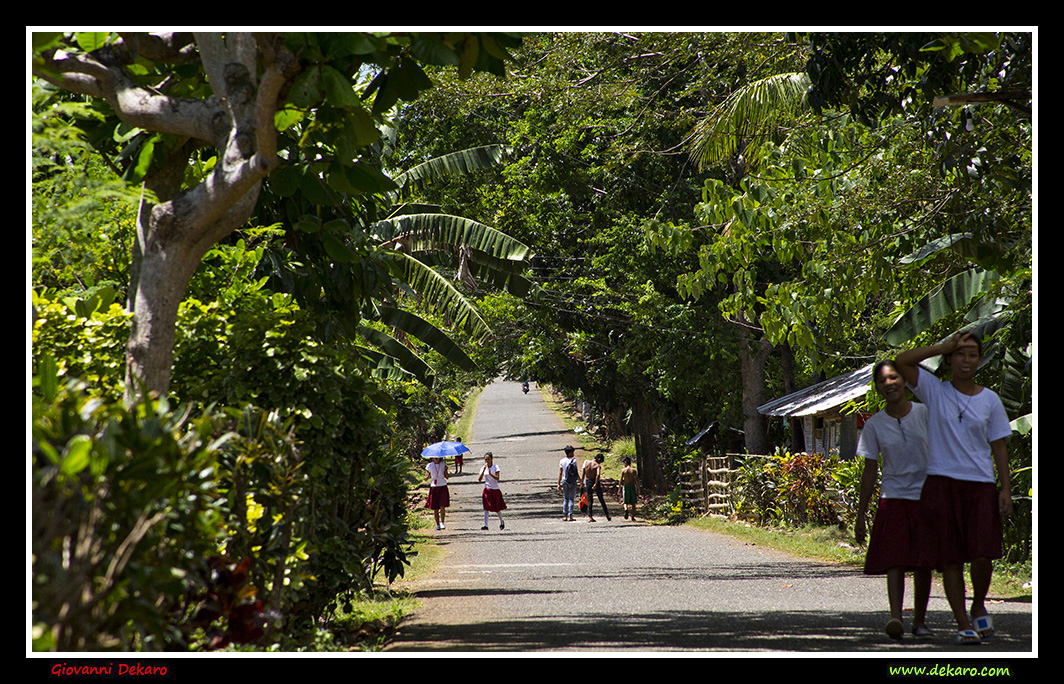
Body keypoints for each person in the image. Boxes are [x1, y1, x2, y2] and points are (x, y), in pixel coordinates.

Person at [895, 332, 1013, 645]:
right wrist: (942, 346)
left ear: (980, 360)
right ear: (949, 360)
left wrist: (1004, 488)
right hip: (941, 482)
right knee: (950, 558)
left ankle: (977, 604)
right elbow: (902, 361)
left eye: (972, 354)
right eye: (960, 354)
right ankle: (963, 622)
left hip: (980, 484)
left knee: (982, 555)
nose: (966, 360)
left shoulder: (990, 400)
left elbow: (999, 444)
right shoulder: (934, 391)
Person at [855, 360, 933, 641]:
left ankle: (920, 621)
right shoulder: (874, 425)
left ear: (905, 381)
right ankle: (896, 618)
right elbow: (869, 470)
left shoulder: (926, 413)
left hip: (926, 497)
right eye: (882, 380)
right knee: (895, 562)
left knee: (924, 562)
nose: (889, 384)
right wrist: (861, 514)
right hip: (893, 497)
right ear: (877, 388)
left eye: (894, 378)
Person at [478, 452, 506, 530]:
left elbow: (497, 478)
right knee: (486, 507)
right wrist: (483, 471)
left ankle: (501, 521)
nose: (487, 461)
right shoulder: (483, 468)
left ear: (492, 459)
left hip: (495, 489)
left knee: (497, 508)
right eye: (485, 459)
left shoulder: (495, 467)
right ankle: (486, 525)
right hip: (487, 489)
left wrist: (490, 473)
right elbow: (479, 479)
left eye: (488, 459)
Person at [582, 453, 610, 522]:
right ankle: (607, 515)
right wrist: (595, 483)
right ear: (599, 459)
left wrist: (582, 482)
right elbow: (597, 474)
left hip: (588, 481)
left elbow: (583, 473)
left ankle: (590, 516)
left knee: (590, 499)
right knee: (601, 499)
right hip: (594, 481)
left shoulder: (587, 463)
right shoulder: (597, 465)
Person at [425, 456, 451, 530]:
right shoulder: (429, 465)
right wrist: (427, 476)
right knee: (435, 507)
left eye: (437, 457)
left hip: (442, 486)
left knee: (442, 505)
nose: (436, 458)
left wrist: (446, 471)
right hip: (434, 487)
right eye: (434, 457)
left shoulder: (443, 464)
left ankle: (442, 522)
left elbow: (447, 477)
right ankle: (437, 524)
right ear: (432, 458)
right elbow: (426, 477)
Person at [558, 445, 580, 522]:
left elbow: (561, 473)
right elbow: (576, 472)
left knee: (565, 498)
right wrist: (580, 481)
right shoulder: (574, 461)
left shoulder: (562, 461)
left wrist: (558, 483)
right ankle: (570, 515)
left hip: (564, 481)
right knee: (571, 499)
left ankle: (565, 515)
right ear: (570, 453)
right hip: (572, 481)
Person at [619, 456, 639, 521]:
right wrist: (638, 488)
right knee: (633, 503)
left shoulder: (623, 470)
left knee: (625, 502)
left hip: (626, 486)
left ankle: (626, 509)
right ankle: (632, 517)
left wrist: (619, 488)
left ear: (625, 462)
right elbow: (636, 480)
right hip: (632, 486)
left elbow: (621, 480)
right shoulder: (633, 470)